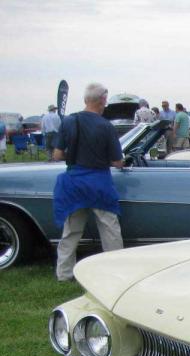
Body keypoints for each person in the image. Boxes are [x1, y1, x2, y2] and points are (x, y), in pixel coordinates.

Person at [51, 82, 124, 282]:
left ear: (85, 100)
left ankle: (64, 273)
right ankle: (116, 272)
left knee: (71, 231)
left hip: (74, 183)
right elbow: (118, 162)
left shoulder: (69, 121)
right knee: (109, 229)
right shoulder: (106, 126)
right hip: (99, 183)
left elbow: (57, 155)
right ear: (103, 101)